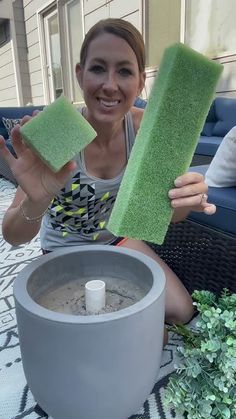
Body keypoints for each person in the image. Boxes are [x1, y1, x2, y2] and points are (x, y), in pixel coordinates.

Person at [0, 18, 216, 328]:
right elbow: (12, 235)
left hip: (118, 241)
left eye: (125, 71)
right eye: (98, 68)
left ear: (140, 81)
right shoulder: (59, 130)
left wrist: (184, 200)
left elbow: (170, 215)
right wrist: (36, 200)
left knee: (180, 313)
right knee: (85, 330)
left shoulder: (149, 131)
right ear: (79, 73)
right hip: (62, 248)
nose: (110, 85)